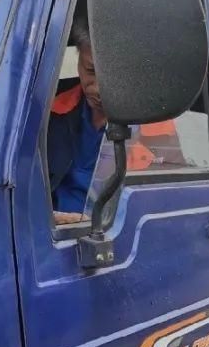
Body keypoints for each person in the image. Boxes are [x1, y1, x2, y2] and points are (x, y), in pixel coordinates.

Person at [47, 12, 183, 225]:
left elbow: (168, 207)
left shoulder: (155, 125)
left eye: (113, 75)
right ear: (79, 60)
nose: (98, 88)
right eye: (91, 71)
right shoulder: (49, 110)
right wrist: (48, 217)